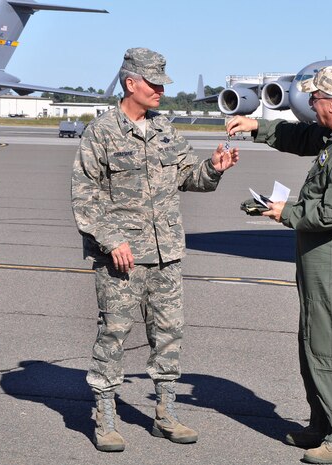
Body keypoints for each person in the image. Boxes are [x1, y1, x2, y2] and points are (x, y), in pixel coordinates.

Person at [71, 47, 239, 452]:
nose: (161, 90)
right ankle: (105, 416)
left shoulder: (165, 129)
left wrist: (214, 168)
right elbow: (85, 195)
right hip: (122, 259)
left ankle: (165, 411)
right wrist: (113, 241)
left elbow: (188, 177)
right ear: (131, 83)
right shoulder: (103, 132)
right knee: (113, 333)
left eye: (163, 83)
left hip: (166, 255)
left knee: (168, 335)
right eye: (154, 83)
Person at [227, 65, 332, 464]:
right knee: (314, 339)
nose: (310, 103)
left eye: (315, 98)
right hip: (320, 253)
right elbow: (298, 136)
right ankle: (324, 425)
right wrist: (255, 125)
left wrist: (285, 211)